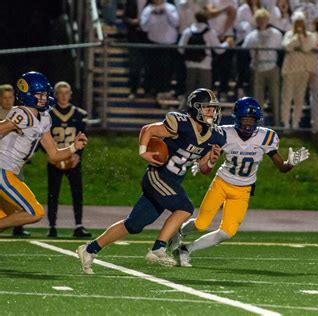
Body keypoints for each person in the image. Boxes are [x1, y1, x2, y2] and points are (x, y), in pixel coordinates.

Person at [77, 88, 226, 274]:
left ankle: (90, 249)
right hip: (157, 176)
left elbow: (204, 169)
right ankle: (158, 248)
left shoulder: (215, 135)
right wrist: (143, 152)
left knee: (133, 225)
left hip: (171, 181)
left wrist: (212, 159)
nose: (212, 112)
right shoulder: (181, 123)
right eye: (207, 108)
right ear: (195, 108)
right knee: (185, 208)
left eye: (213, 108)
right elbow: (148, 130)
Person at [171, 97, 309, 267]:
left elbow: (282, 167)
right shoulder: (224, 133)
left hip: (243, 190)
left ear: (257, 120)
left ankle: (185, 250)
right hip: (221, 183)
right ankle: (178, 231)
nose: (248, 124)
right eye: (244, 119)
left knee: (227, 232)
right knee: (201, 223)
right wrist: (201, 163)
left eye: (251, 120)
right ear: (237, 118)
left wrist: (291, 164)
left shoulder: (266, 137)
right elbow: (209, 155)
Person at [0, 72, 88, 233]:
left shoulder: (44, 117)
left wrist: (74, 147)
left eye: (45, 93)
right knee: (34, 212)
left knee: (7, 218)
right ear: (27, 94)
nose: (44, 97)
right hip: (3, 171)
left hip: (10, 171)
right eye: (39, 94)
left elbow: (54, 154)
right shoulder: (23, 113)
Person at [47, 81, 90, 238]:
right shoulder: (48, 114)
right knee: (53, 193)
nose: (64, 96)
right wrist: (49, 154)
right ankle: (52, 226)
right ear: (56, 95)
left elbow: (83, 137)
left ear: (70, 94)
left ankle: (79, 225)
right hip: (55, 159)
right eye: (61, 93)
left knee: (77, 192)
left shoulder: (79, 114)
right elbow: (42, 139)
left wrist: (78, 155)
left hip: (73, 159)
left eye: (66, 93)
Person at [243, 9, 283, 126]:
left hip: (272, 67)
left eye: (263, 19)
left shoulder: (276, 33)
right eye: (259, 19)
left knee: (275, 97)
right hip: (257, 68)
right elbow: (245, 48)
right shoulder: (251, 36)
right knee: (257, 98)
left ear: (268, 19)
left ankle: (277, 123)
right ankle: (259, 124)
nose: (261, 21)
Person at [0, 84, 30, 237]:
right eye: (4, 97)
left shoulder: (20, 112)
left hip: (14, 162)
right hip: (2, 161)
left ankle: (18, 227)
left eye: (10, 97)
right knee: (34, 211)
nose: (7, 100)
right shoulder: (16, 115)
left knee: (17, 199)